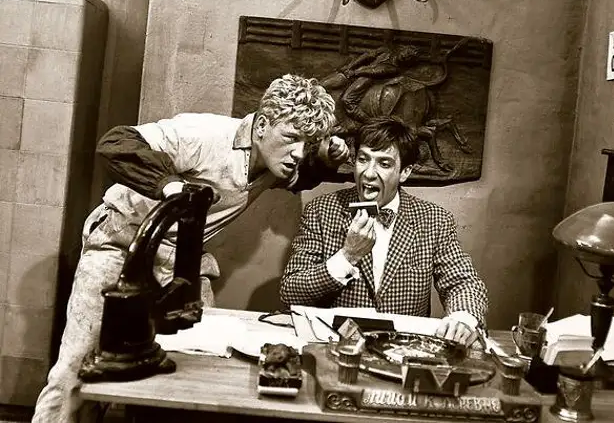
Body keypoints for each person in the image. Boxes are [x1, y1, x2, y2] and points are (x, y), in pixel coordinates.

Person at [32, 74, 349, 423]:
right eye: (291, 138)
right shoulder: (203, 135)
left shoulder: (279, 162)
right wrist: (168, 185)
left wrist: (327, 159)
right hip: (123, 244)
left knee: (198, 362)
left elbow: (303, 176)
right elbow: (115, 143)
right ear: (261, 126)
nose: (298, 153)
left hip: (183, 260)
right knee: (78, 369)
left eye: (307, 143)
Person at [280, 115, 488, 346]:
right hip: (335, 349)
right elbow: (291, 291)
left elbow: (463, 282)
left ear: (405, 172)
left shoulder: (435, 220)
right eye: (363, 159)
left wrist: (463, 319)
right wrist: (347, 257)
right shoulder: (321, 211)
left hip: (404, 352)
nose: (369, 173)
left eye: (384, 164)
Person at [321, 45, 421, 125]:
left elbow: (374, 71)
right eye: (406, 52)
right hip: (357, 71)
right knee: (327, 82)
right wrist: (350, 67)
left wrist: (354, 73)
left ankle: (366, 121)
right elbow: (367, 56)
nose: (405, 56)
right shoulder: (385, 51)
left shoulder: (394, 69)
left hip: (366, 78)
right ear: (402, 49)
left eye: (409, 57)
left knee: (347, 100)